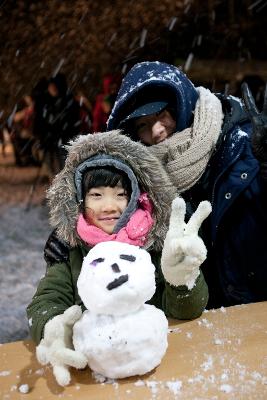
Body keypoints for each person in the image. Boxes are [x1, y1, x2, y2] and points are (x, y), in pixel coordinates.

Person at [44, 61, 267, 309]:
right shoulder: (142, 173)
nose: (157, 131)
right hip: (197, 311)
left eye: (162, 115)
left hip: (258, 304)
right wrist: (71, 231)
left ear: (182, 105)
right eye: (143, 125)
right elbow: (112, 208)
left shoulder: (246, 144)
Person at [27, 130, 210, 385]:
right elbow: (46, 301)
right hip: (92, 371)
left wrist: (181, 279)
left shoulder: (154, 246)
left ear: (135, 196)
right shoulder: (72, 252)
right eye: (97, 195)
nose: (109, 206)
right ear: (80, 200)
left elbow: (187, 310)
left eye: (120, 194)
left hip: (156, 368)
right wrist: (55, 328)